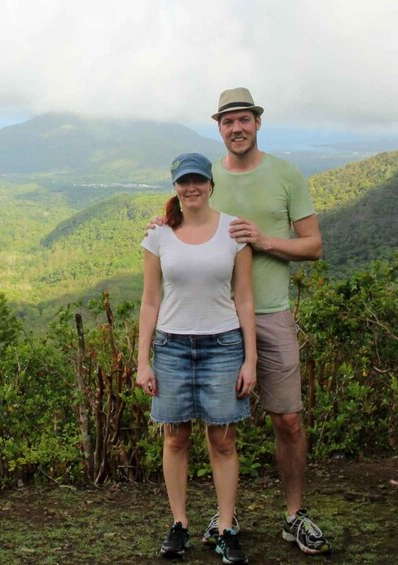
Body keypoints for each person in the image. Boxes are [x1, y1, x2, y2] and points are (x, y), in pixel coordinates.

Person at [202, 87, 331, 555]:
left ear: (258, 122)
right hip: (217, 318)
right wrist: (161, 224)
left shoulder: (286, 174)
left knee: (289, 419)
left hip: (272, 312)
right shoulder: (208, 176)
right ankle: (226, 513)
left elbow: (313, 246)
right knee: (222, 425)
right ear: (219, 127)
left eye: (244, 119)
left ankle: (294, 515)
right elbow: (185, 223)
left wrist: (263, 239)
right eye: (227, 121)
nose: (236, 128)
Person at [137, 152, 256, 564]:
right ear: (175, 187)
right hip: (171, 347)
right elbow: (150, 302)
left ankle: (226, 528)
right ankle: (180, 524)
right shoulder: (159, 235)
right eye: (184, 182)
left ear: (210, 184)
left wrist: (250, 360)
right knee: (176, 437)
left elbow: (244, 298)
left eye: (198, 181)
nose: (192, 188)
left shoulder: (233, 232)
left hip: (223, 346)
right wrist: (143, 360)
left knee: (223, 441)